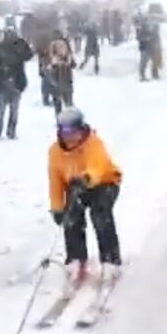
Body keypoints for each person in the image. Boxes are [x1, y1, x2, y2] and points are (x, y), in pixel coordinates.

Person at [48, 107, 124, 286]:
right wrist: (57, 208)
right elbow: (55, 181)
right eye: (64, 131)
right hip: (76, 188)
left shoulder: (93, 143)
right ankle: (76, 259)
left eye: (73, 131)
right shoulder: (55, 152)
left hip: (103, 183)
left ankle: (110, 260)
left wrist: (86, 178)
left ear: (81, 129)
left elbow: (99, 165)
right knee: (71, 218)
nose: (69, 136)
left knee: (100, 214)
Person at [0, 29, 32, 140]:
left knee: (0, 110)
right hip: (16, 82)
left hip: (2, 82)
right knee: (13, 110)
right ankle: (10, 132)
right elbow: (29, 55)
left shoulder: (1, 47)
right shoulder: (19, 48)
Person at [46, 35, 77, 114]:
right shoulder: (53, 60)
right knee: (58, 106)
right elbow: (49, 73)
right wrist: (53, 82)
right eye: (60, 48)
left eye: (63, 47)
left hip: (68, 85)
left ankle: (70, 121)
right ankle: (60, 122)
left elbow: (74, 65)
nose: (62, 50)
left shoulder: (68, 58)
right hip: (57, 87)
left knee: (69, 105)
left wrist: (70, 60)